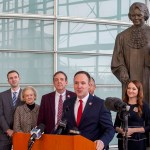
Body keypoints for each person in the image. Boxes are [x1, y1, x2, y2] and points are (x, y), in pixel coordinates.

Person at [63, 71, 115, 150]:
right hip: (72, 147)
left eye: (83, 83)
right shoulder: (67, 103)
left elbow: (110, 129)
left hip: (91, 147)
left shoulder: (101, 104)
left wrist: (102, 141)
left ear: (89, 85)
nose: (79, 86)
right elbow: (64, 126)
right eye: (76, 83)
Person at [111, 2, 150, 104]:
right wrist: (122, 70)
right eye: (133, 15)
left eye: (139, 15)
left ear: (145, 15)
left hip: (148, 79)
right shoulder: (121, 37)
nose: (136, 18)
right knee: (130, 113)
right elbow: (117, 60)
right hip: (129, 81)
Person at [114, 80, 150, 150]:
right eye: (129, 88)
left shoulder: (144, 106)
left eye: (134, 89)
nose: (130, 91)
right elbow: (116, 125)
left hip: (138, 142)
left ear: (138, 91)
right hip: (123, 141)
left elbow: (149, 126)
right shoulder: (121, 105)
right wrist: (121, 130)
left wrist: (133, 130)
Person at [0, 70, 24, 150]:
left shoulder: (26, 94)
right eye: (11, 78)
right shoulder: (2, 95)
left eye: (15, 77)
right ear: (8, 81)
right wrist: (7, 129)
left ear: (19, 78)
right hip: (4, 134)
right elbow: (0, 114)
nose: (13, 79)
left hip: (21, 133)